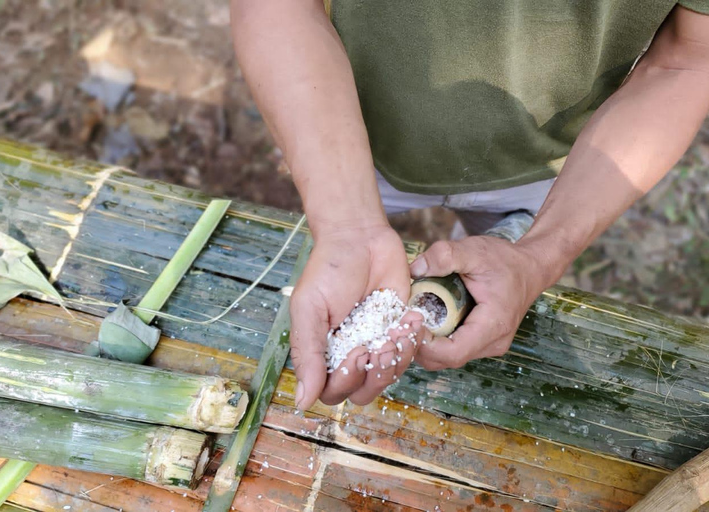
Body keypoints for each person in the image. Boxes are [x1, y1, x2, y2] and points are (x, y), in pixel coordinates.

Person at [230, 1, 709, 411]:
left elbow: (689, 56)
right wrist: (345, 222)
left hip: (562, 165)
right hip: (347, 131)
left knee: (499, 257)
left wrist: (539, 256)